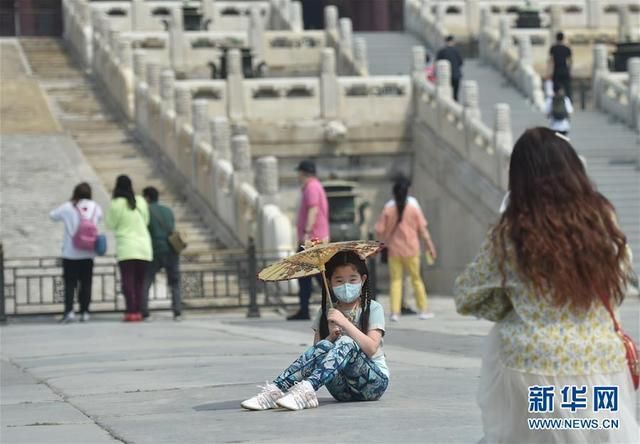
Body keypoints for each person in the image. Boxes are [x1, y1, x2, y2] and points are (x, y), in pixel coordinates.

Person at [454, 127, 638, 443]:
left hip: (531, 368)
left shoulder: (511, 232)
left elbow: (467, 295)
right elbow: (622, 270)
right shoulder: (602, 220)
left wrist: (509, 305)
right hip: (599, 363)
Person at [241, 250, 389, 411]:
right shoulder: (326, 312)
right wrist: (331, 337)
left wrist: (345, 324)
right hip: (341, 391)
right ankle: (275, 392)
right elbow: (316, 353)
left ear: (363, 279)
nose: (346, 285)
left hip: (372, 384)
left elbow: (372, 348)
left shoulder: (373, 308)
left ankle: (306, 391)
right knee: (324, 346)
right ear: (329, 282)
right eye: (339, 280)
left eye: (352, 280)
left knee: (347, 342)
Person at [375, 177, 437, 322]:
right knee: (416, 280)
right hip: (412, 249)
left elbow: (378, 229)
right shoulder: (413, 209)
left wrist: (384, 239)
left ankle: (395, 312)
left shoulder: (388, 210)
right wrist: (430, 246)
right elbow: (423, 230)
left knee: (396, 281)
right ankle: (423, 310)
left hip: (394, 250)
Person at [50, 182, 103, 323]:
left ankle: (69, 312)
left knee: (69, 284)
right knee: (86, 283)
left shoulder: (68, 207)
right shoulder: (95, 207)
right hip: (88, 253)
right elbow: (100, 218)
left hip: (70, 253)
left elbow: (52, 216)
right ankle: (85, 312)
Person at [106, 175, 152, 322]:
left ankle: (131, 311)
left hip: (127, 247)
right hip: (144, 246)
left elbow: (110, 224)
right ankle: (138, 311)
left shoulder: (116, 203)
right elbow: (146, 220)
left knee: (128, 282)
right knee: (139, 282)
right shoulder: (140, 201)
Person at [287, 160, 330, 321]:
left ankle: (308, 308)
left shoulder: (311, 187)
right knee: (313, 275)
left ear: (303, 173)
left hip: (312, 239)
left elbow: (313, 209)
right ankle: (308, 307)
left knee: (312, 276)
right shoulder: (316, 186)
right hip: (316, 237)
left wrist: (306, 232)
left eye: (299, 172)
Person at [141, 186, 181, 321]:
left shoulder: (146, 211)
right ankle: (177, 311)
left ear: (147, 197)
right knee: (174, 282)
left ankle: (144, 311)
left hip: (154, 250)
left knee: (146, 281)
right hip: (171, 250)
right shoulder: (168, 211)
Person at [436, 35, 464, 101]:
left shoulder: (442, 51)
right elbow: (461, 62)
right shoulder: (456, 51)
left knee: (447, 94)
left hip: (446, 76)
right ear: (453, 41)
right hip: (456, 75)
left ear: (445, 42)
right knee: (455, 94)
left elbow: (437, 63)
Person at [548, 32, 572, 99]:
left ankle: (556, 104)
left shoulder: (553, 48)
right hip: (565, 70)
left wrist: (548, 72)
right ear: (563, 38)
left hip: (556, 70)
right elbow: (570, 61)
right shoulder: (567, 48)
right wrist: (569, 71)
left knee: (556, 89)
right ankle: (569, 104)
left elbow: (551, 60)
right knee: (567, 89)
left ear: (556, 38)